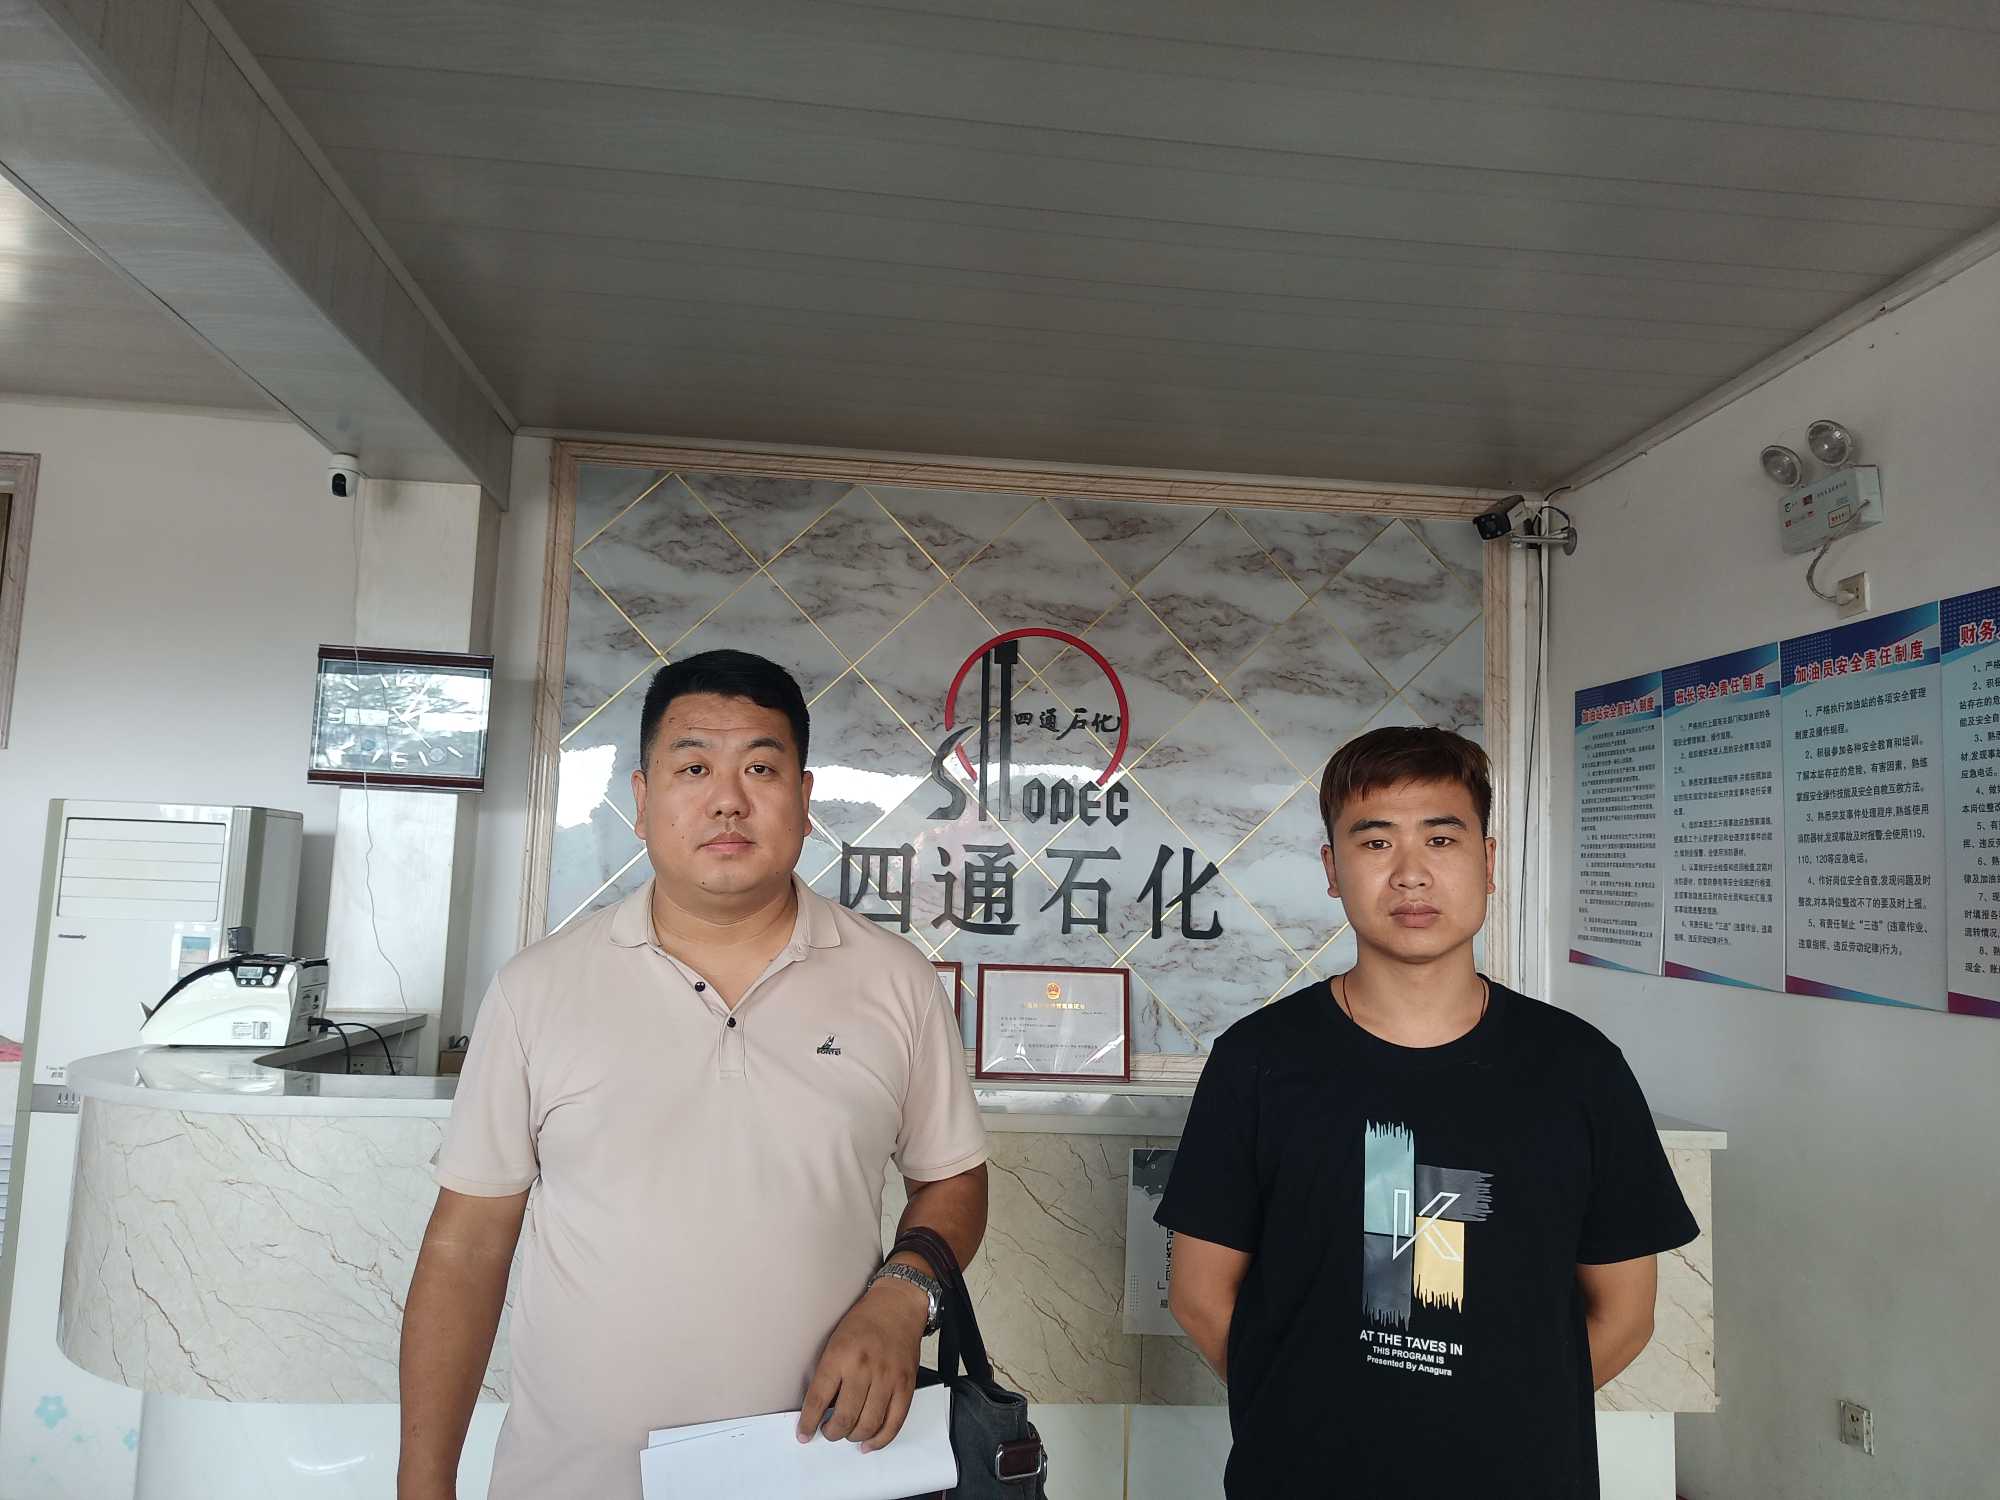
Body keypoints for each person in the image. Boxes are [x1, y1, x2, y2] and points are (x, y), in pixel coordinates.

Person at [398, 650, 989, 1500]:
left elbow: (953, 1179)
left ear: (805, 799)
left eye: (760, 767)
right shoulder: (537, 990)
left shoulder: (895, 981)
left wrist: (903, 1296)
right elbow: (466, 1247)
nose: (727, 799)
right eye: (693, 768)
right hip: (580, 1481)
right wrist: (424, 1484)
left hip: (821, 1472)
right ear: (641, 801)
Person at [1158, 726, 1695, 1499]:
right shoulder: (1258, 1062)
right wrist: (1299, 1420)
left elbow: (1626, 1314)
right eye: (1376, 842)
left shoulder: (1579, 1069)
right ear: (1332, 869)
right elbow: (1200, 1297)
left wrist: (1501, 1425)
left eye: (1441, 839)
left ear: (1488, 861)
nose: (1411, 873)